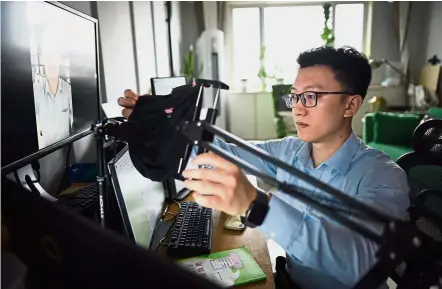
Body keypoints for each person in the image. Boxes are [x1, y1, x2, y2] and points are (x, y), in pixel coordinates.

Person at [118, 46, 410, 289]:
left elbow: (358, 265)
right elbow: (221, 154)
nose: (297, 108)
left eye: (311, 96)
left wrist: (257, 206)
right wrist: (153, 121)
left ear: (350, 105)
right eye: (294, 96)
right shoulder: (289, 150)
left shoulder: (383, 177)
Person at [31, 25, 73, 149]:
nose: (50, 55)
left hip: (66, 154)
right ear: (42, 56)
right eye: (47, 50)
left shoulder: (68, 90)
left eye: (54, 49)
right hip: (43, 157)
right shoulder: (35, 90)